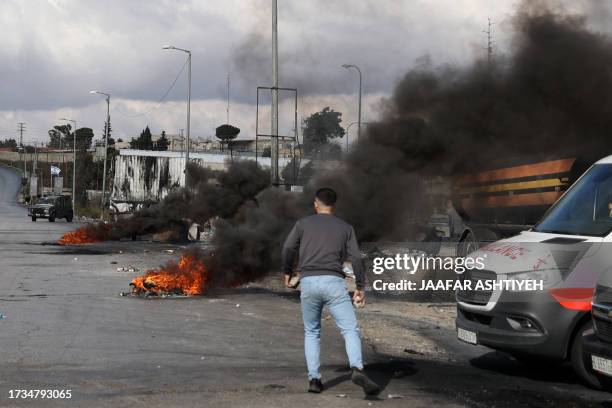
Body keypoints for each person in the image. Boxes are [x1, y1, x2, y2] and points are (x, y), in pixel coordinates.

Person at [282, 187, 380, 395]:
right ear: (334, 206)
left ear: (316, 204)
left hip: (308, 282)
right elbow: (356, 258)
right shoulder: (345, 227)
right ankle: (357, 368)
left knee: (312, 331)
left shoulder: (303, 224)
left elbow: (288, 248)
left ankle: (314, 380)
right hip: (334, 283)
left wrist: (287, 272)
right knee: (350, 329)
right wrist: (360, 287)